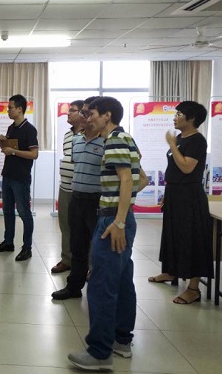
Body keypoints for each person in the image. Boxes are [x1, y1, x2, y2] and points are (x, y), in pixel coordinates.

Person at [68, 96, 148, 371]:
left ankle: (100, 352)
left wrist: (119, 220)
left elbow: (127, 179)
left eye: (91, 114)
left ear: (107, 115)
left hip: (112, 221)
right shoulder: (124, 138)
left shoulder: (114, 140)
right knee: (122, 281)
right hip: (120, 217)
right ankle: (121, 341)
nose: (87, 118)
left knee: (101, 285)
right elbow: (141, 179)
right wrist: (124, 210)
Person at [148, 101, 212, 305]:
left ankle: (193, 289)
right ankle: (170, 272)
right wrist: (167, 192)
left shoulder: (197, 140)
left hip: (190, 196)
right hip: (174, 192)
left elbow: (186, 167)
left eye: (179, 114)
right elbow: (174, 167)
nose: (175, 117)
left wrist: (172, 145)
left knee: (191, 239)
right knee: (172, 234)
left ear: (191, 118)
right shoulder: (179, 138)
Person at [52, 97, 104, 300]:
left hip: (95, 199)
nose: (84, 117)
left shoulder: (108, 140)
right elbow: (75, 162)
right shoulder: (75, 139)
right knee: (76, 242)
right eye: (82, 113)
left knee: (95, 241)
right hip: (74, 194)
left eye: (87, 113)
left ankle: (96, 279)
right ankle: (74, 285)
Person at [0, 94, 39, 262]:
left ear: (19, 109)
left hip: (21, 177)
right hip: (8, 174)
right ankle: (8, 242)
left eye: (10, 108)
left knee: (24, 213)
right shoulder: (11, 128)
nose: (8, 111)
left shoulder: (30, 129)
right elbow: (9, 151)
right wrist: (3, 142)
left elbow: (34, 154)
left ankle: (27, 248)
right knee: (7, 210)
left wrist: (14, 151)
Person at [52, 100, 85, 274]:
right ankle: (67, 259)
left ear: (82, 113)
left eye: (72, 110)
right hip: (64, 187)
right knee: (65, 226)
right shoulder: (67, 135)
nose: (68, 113)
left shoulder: (90, 134)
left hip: (80, 190)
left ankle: (88, 265)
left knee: (82, 228)